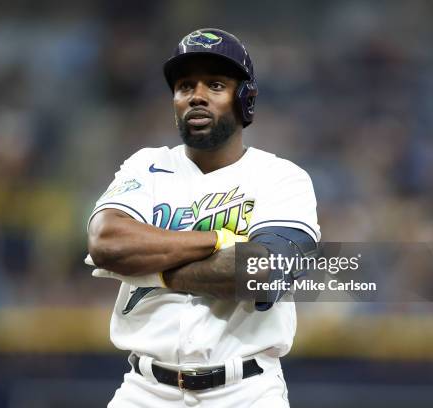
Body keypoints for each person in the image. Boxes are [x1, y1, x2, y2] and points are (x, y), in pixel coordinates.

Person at [86, 28, 320, 408]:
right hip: (144, 390)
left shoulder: (282, 177)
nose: (196, 96)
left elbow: (260, 271)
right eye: (184, 86)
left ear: (245, 99)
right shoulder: (146, 165)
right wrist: (216, 241)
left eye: (215, 85)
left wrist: (149, 270)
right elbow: (106, 243)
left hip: (245, 391)